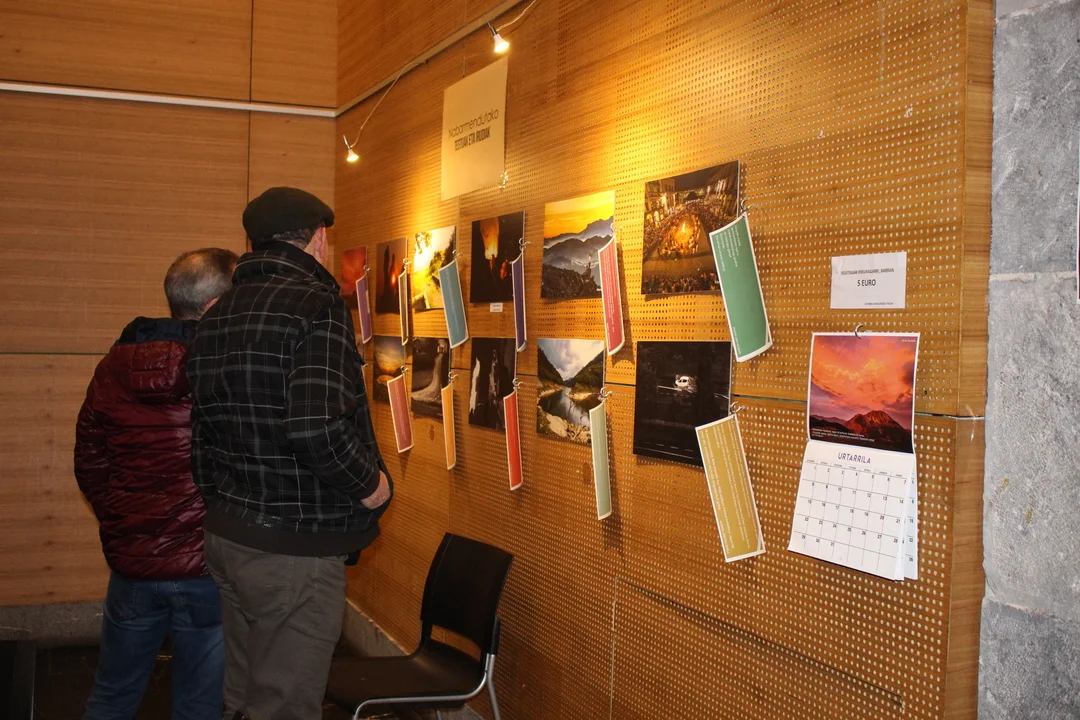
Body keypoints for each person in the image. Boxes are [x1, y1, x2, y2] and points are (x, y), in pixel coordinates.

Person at [186, 187, 392, 720]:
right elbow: (315, 427)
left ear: (252, 243)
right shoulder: (317, 306)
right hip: (292, 552)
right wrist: (372, 486)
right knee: (284, 707)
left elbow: (202, 432)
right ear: (319, 239)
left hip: (228, 535)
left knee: (242, 699)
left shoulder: (216, 315)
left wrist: (221, 503)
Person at [74, 248, 240, 720]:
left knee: (111, 697)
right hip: (205, 567)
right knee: (200, 706)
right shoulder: (224, 369)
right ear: (215, 306)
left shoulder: (112, 368)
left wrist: (125, 519)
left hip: (133, 565)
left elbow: (89, 460)